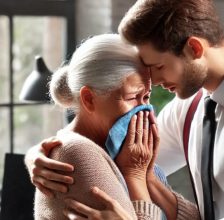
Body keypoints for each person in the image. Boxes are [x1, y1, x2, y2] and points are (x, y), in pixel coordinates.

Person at [25, 0, 224, 219]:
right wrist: (43, 153)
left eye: (157, 66)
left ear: (194, 49)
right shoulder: (191, 106)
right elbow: (116, 159)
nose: (153, 81)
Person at [26, 33, 199, 220]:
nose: (144, 111)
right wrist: (135, 177)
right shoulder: (79, 153)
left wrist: (146, 177)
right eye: (132, 97)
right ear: (89, 99)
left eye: (146, 96)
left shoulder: (126, 154)